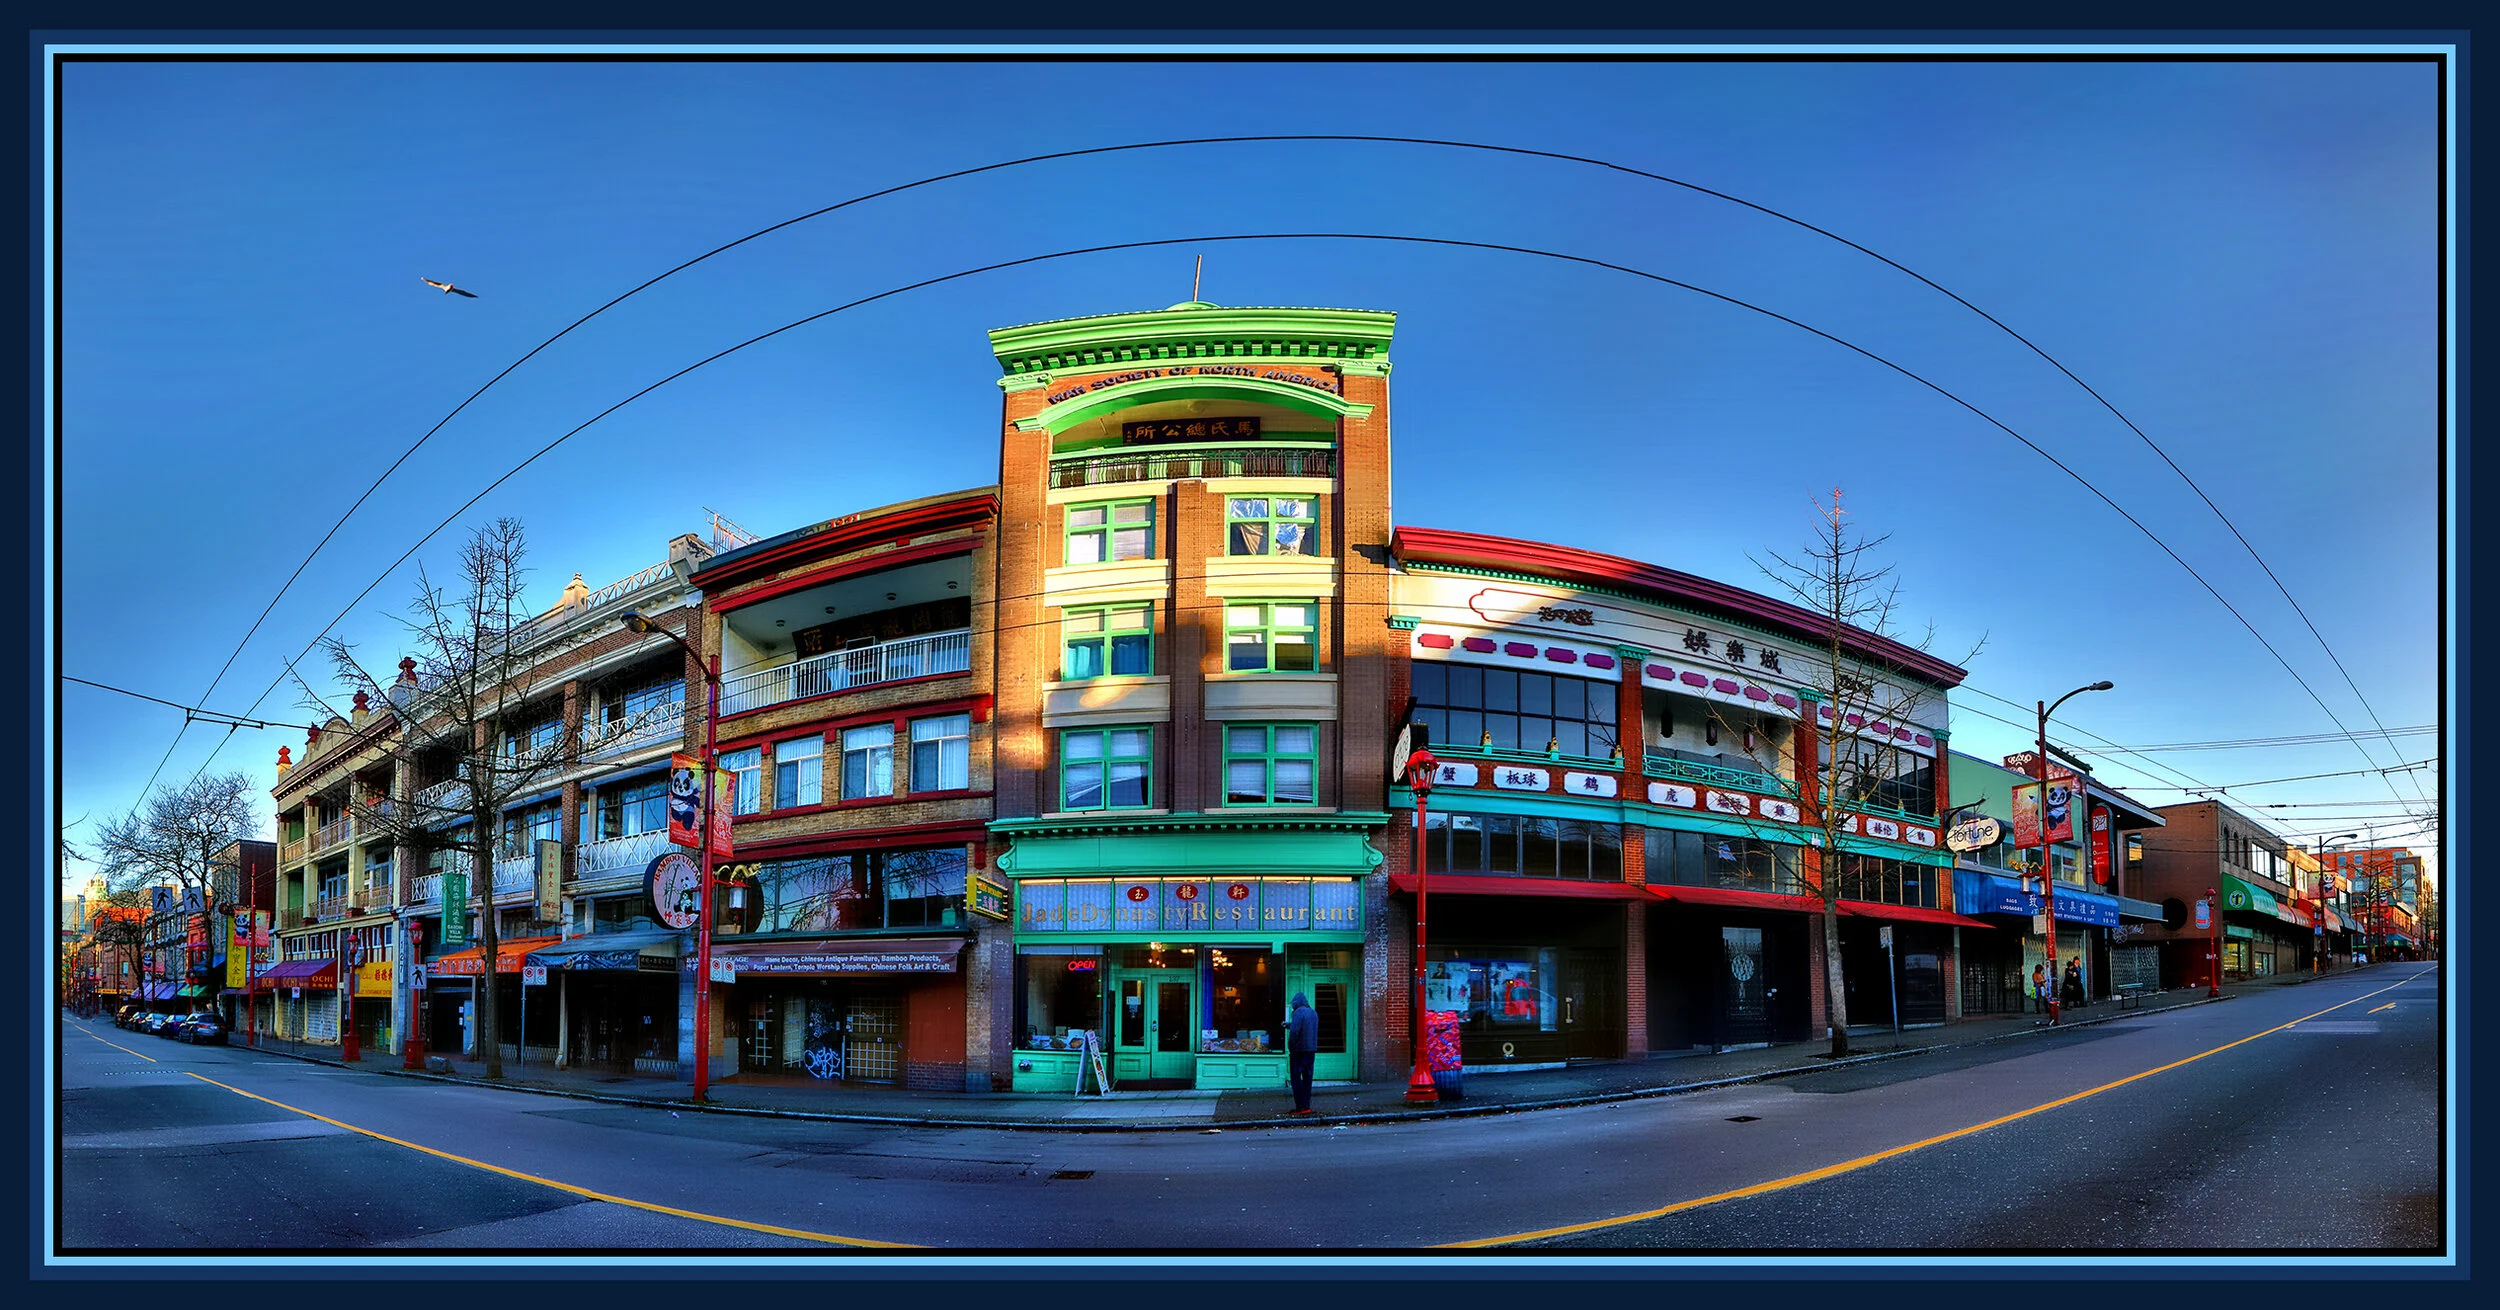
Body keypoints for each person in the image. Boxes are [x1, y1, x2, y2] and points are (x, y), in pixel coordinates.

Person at [1285, 991, 1319, 1115]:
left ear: (1296, 1003)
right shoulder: (1313, 1013)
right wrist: (1288, 1025)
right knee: (1307, 1078)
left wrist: (1291, 1047)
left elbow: (1295, 1032)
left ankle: (1300, 1106)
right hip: (1311, 1050)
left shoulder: (1298, 1012)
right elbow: (1306, 1028)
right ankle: (1307, 1105)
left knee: (1296, 1078)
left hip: (1299, 1051)